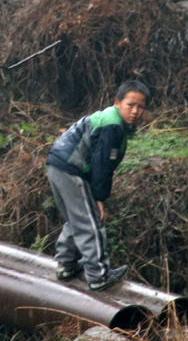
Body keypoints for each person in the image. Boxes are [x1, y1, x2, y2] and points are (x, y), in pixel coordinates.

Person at [45, 80, 149, 291]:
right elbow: (102, 165)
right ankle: (98, 275)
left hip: (57, 166)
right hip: (70, 169)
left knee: (77, 219)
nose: (135, 111)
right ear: (117, 102)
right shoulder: (112, 125)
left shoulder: (109, 119)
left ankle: (66, 265)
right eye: (130, 105)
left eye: (140, 106)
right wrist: (99, 197)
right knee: (90, 222)